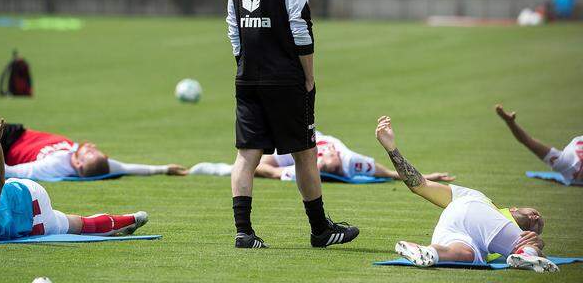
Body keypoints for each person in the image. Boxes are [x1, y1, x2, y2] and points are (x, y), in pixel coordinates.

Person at [226, 0, 359, 249]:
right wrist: (309, 77)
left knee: (247, 154)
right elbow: (300, 28)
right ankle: (320, 230)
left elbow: (233, 29)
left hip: (247, 78)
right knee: (304, 152)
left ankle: (244, 232)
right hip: (285, 79)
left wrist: (244, 65)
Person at [374, 115, 558, 272]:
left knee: (465, 255)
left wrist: (391, 148)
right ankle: (527, 255)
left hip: (454, 228)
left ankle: (426, 251)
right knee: (530, 247)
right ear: (513, 208)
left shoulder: (497, 242)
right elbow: (419, 185)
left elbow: (419, 185)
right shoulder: (486, 204)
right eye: (535, 213)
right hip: (471, 210)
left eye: (537, 224)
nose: (536, 218)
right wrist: (536, 245)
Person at [0, 114, 149, 242]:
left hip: (30, 216)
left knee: (80, 225)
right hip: (31, 207)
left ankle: (129, 220)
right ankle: (129, 220)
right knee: (79, 225)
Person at [0, 121, 188, 181]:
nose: (91, 147)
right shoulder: (90, 161)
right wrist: (164, 169)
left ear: (79, 166)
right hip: (17, 132)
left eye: (90, 153)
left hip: (2, 145)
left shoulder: (56, 165)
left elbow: (4, 172)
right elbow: (126, 167)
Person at [190, 131, 455, 183]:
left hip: (291, 144)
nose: (326, 154)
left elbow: (266, 169)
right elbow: (387, 173)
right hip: (303, 132)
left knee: (250, 164)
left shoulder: (298, 165)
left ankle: (214, 170)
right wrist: (426, 177)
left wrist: (274, 172)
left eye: (323, 161)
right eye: (328, 157)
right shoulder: (350, 160)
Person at [496, 104, 582, 185]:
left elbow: (527, 141)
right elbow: (528, 141)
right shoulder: (567, 163)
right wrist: (510, 122)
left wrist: (510, 123)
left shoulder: (566, 163)